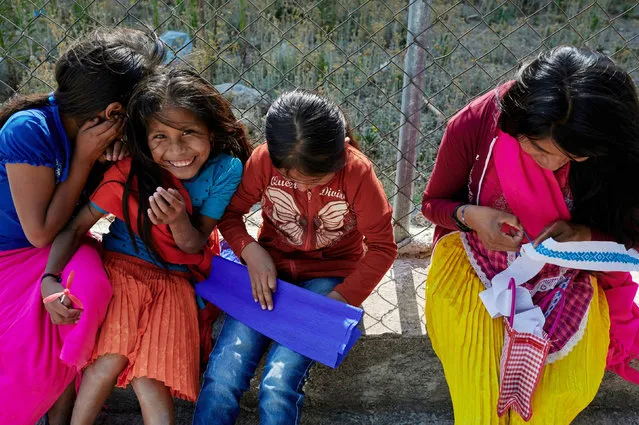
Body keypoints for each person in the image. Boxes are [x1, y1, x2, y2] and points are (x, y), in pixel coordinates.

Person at [422, 46, 639, 424]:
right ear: (515, 123)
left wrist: (587, 232)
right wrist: (470, 215)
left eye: (572, 157)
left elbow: (631, 230)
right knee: (482, 390)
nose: (551, 163)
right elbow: (432, 204)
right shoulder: (475, 123)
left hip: (567, 274)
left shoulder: (610, 148)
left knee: (560, 392)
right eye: (537, 148)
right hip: (473, 260)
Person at [42, 68, 252, 425]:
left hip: (176, 279)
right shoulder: (130, 170)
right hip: (122, 268)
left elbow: (194, 243)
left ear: (211, 133)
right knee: (108, 360)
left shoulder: (225, 170)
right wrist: (50, 277)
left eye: (188, 133)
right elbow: (77, 227)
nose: (176, 150)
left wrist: (177, 220)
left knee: (151, 377)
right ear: (143, 139)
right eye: (160, 137)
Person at [193, 90, 398, 425]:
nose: (300, 186)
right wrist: (250, 249)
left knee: (277, 383)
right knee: (223, 372)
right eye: (288, 177)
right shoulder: (262, 161)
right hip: (268, 270)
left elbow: (382, 247)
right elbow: (229, 215)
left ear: (342, 150)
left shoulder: (357, 173)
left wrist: (337, 300)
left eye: (315, 180)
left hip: (330, 277)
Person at [0, 28, 164, 425]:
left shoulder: (97, 135)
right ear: (112, 113)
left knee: (88, 289)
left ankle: (63, 413)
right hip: (13, 254)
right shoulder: (30, 130)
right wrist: (84, 161)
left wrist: (106, 159)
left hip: (62, 245)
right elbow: (38, 232)